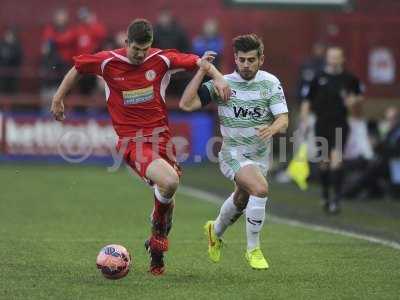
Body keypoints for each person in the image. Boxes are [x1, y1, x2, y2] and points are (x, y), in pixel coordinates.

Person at [50, 18, 230, 276]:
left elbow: (199, 62)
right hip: (132, 142)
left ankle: (156, 253)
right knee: (168, 183)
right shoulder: (108, 61)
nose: (140, 54)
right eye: (136, 49)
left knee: (168, 201)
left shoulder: (161, 60)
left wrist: (219, 78)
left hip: (163, 141)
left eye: (145, 49)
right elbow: (78, 67)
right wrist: (58, 99)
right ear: (126, 43)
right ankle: (158, 242)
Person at [179, 34, 289, 270]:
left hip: (259, 157)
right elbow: (186, 105)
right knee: (260, 189)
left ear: (261, 59)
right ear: (235, 59)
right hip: (233, 154)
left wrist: (272, 129)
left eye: (251, 60)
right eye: (242, 60)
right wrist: (203, 70)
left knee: (242, 197)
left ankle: (215, 231)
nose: (246, 65)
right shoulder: (224, 84)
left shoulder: (270, 83)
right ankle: (253, 249)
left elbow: (284, 119)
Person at [300, 46, 363, 214]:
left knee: (337, 159)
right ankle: (326, 195)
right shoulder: (318, 77)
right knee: (324, 163)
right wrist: (305, 120)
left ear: (342, 59)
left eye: (337, 57)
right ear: (327, 59)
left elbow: (358, 97)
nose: (334, 60)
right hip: (322, 124)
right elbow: (307, 100)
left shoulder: (350, 79)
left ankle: (336, 199)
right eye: (331, 57)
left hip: (340, 123)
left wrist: (353, 101)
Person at [0, 27, 23, 94]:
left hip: (13, 75)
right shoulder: (2, 44)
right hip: (3, 75)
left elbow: (19, 59)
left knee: (13, 94)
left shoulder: (17, 46)